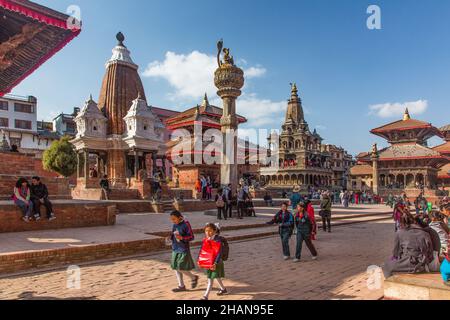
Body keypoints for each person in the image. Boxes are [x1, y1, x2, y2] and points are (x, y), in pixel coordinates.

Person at [383, 211, 438, 278]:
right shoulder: (425, 233)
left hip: (410, 263)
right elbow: (430, 252)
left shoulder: (399, 233)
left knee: (386, 266)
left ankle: (390, 284)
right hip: (424, 263)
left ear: (400, 223)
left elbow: (396, 253)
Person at [168, 211, 199, 293]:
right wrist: (170, 237)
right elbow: (173, 234)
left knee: (180, 267)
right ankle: (181, 286)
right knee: (175, 267)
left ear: (179, 217)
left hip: (183, 248)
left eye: (174, 219)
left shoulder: (186, 224)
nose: (173, 221)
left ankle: (193, 277)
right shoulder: (175, 224)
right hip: (175, 247)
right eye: (171, 219)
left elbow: (191, 237)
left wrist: (182, 238)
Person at [198, 223, 228, 300]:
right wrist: (200, 260)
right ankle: (223, 289)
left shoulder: (218, 241)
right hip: (209, 263)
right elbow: (202, 251)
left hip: (216, 263)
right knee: (216, 276)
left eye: (210, 231)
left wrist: (215, 263)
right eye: (206, 231)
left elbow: (219, 253)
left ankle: (205, 296)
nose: (208, 233)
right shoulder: (206, 240)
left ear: (215, 231)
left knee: (210, 279)